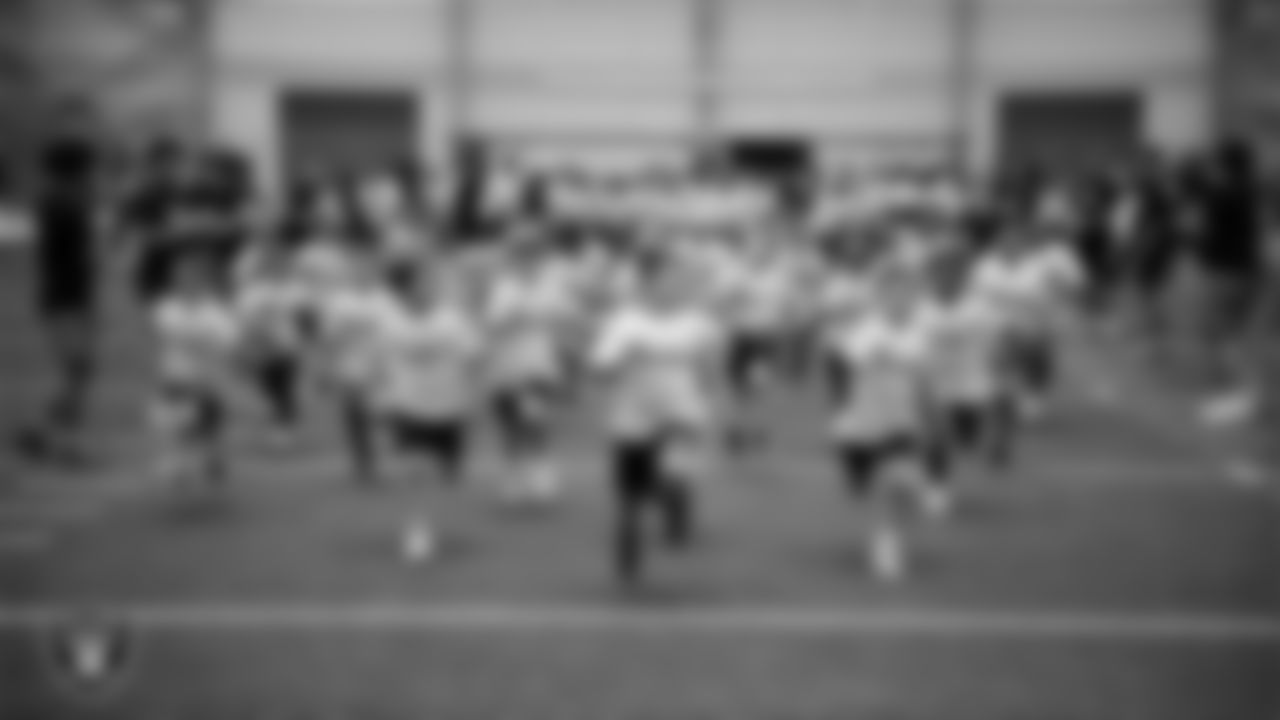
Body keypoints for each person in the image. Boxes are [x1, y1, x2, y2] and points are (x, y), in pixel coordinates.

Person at [589, 253, 725, 587]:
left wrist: (711, 402)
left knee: (674, 473)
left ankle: (675, 502)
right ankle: (628, 557)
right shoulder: (625, 322)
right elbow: (601, 368)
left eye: (679, 279)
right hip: (633, 415)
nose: (675, 286)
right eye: (667, 278)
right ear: (646, 283)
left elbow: (711, 370)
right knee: (630, 501)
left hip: (681, 413)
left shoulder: (698, 323)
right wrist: (619, 359)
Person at [16, 126, 101, 463]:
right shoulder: (60, 203)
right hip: (65, 298)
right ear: (76, 170)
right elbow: (77, 256)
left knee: (78, 369)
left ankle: (41, 432)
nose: (94, 175)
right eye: (89, 168)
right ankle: (63, 442)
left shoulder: (62, 201)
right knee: (75, 368)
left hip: (70, 297)